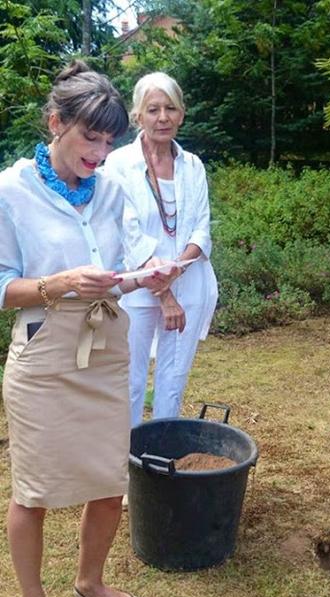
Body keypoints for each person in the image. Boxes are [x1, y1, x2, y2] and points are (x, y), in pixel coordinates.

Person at [0, 60, 168, 597]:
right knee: (34, 490)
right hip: (44, 352)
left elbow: (126, 258)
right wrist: (59, 282)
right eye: (88, 137)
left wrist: (151, 273)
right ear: (55, 122)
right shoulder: (10, 191)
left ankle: (90, 584)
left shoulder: (111, 189)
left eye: (107, 140)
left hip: (106, 346)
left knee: (108, 478)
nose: (99, 153)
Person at [104, 72, 218, 426]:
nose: (163, 117)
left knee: (173, 378)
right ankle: (130, 460)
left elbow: (201, 228)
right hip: (138, 287)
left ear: (182, 114)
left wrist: (178, 268)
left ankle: (162, 456)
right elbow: (127, 231)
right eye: (153, 109)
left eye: (171, 108)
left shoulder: (193, 165)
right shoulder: (119, 164)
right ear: (138, 115)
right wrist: (164, 292)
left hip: (189, 281)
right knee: (131, 380)